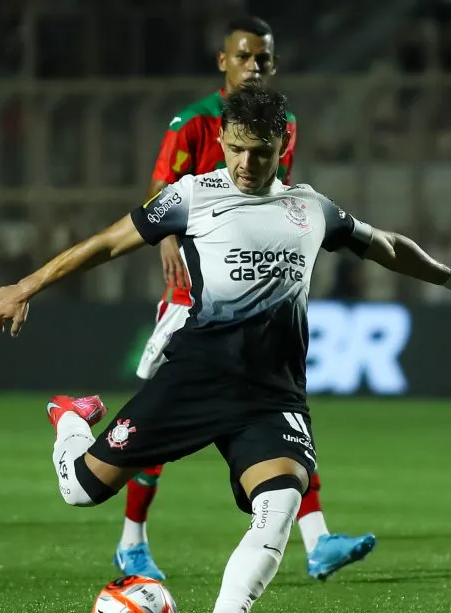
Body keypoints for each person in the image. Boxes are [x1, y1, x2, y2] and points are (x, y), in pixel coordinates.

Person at [0, 84, 451, 613]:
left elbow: (385, 245)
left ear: (283, 143)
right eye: (234, 148)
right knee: (78, 491)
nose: (245, 163)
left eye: (259, 151)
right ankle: (70, 416)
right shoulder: (192, 195)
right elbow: (109, 243)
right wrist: (27, 284)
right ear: (223, 142)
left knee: (281, 498)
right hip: (195, 377)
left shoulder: (311, 208)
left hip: (270, 393)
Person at [124, 14, 375, 584]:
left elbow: (278, 199)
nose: (253, 66)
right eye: (243, 56)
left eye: (262, 58)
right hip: (195, 298)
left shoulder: (284, 122)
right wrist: (167, 238)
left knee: (285, 415)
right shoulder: (192, 123)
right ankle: (131, 540)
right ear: (223, 61)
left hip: (264, 299)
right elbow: (159, 194)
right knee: (156, 422)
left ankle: (317, 541)